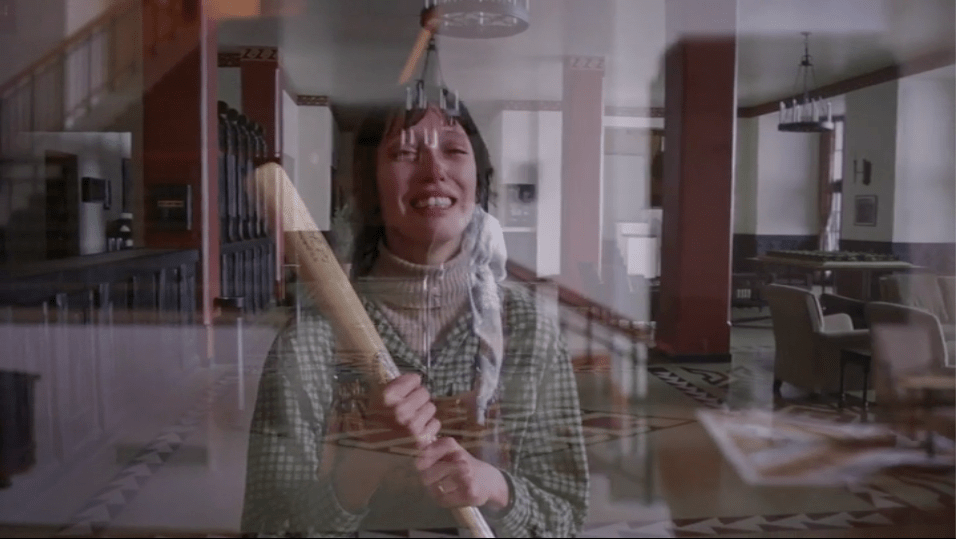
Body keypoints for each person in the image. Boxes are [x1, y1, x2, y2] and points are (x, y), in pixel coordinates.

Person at [241, 98, 589, 537]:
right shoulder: (310, 344)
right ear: (370, 186)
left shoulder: (528, 330)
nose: (434, 170)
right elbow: (269, 527)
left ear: (478, 180)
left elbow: (565, 516)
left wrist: (496, 488)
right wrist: (367, 458)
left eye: (454, 150)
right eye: (405, 152)